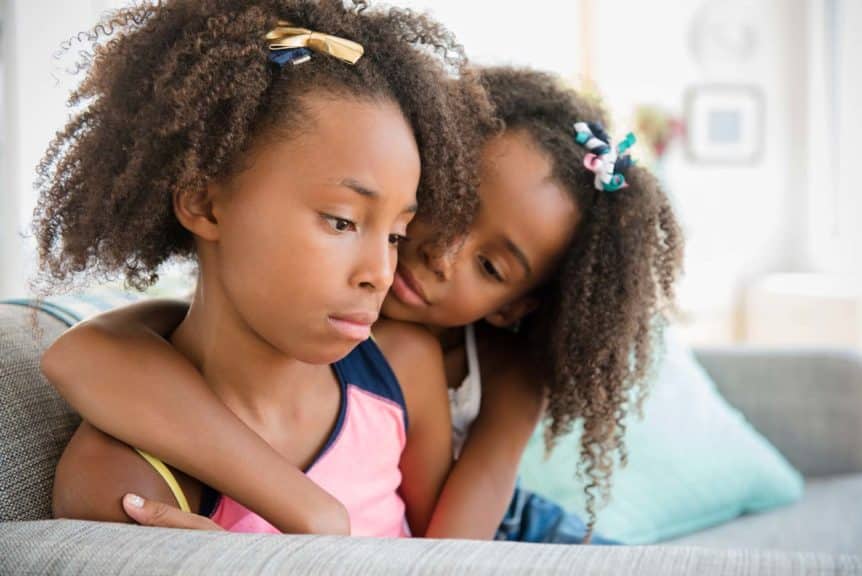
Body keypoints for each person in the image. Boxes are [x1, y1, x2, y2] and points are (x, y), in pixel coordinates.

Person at [36, 0, 494, 538]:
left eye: (395, 235)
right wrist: (307, 522)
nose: (380, 272)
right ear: (206, 205)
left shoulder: (400, 372)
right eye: (342, 222)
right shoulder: (128, 475)